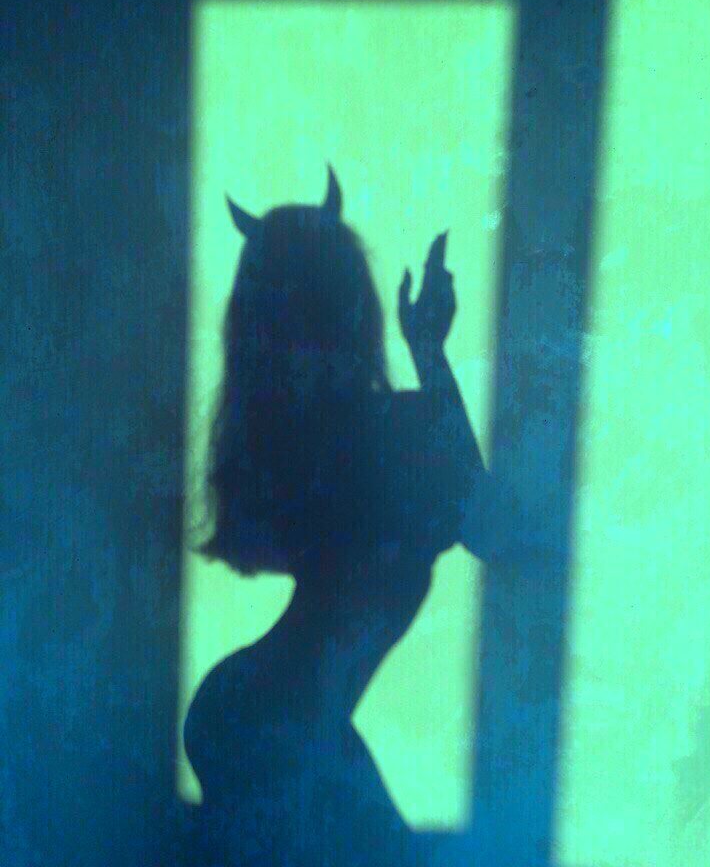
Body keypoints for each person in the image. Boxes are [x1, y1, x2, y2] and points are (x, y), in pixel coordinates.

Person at [183, 167, 491, 865]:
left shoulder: (283, 442)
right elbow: (489, 525)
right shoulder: (397, 433)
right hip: (284, 733)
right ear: (355, 305)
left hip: (255, 720)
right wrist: (430, 352)